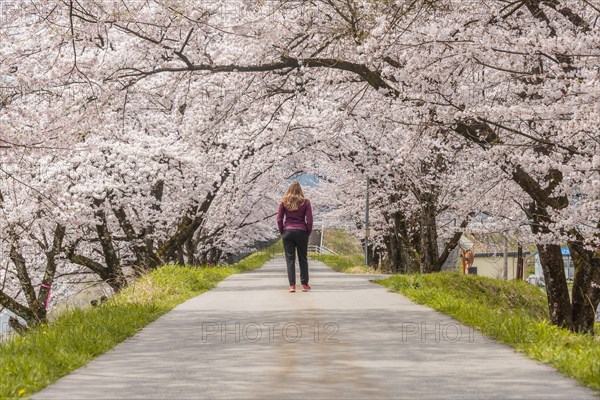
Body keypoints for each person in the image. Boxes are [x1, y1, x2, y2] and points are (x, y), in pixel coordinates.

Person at [277, 181, 313, 293]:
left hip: (288, 231)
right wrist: (307, 231)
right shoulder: (306, 202)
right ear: (300, 190)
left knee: (290, 260)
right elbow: (310, 220)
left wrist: (282, 231)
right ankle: (304, 284)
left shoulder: (284, 202)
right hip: (302, 232)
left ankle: (292, 286)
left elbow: (279, 219)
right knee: (303, 258)